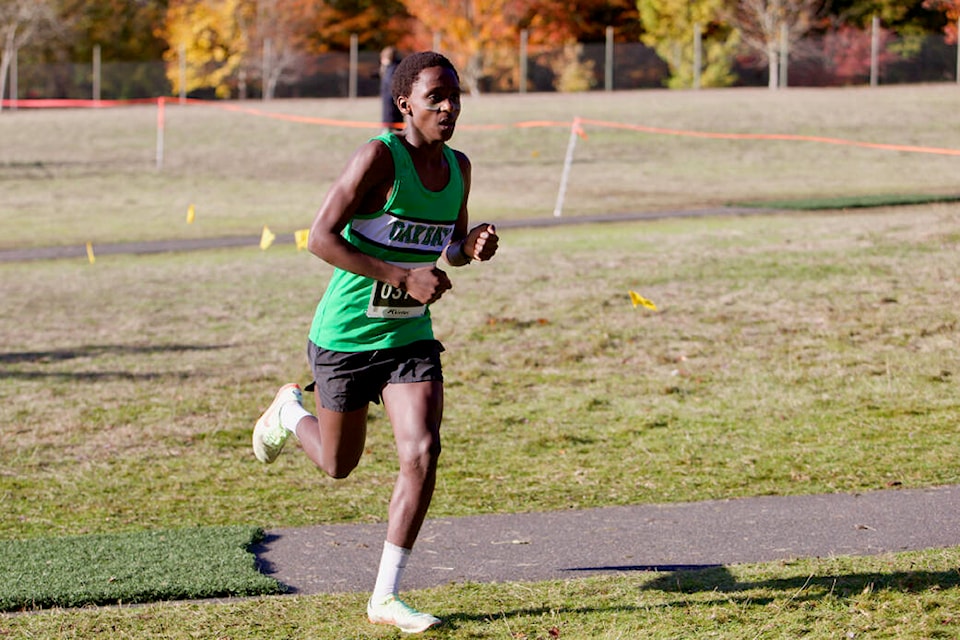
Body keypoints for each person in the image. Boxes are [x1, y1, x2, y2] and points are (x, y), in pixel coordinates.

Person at [252, 51, 498, 634]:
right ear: (404, 103)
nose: (448, 106)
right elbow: (319, 238)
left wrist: (473, 246)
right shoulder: (377, 158)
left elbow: (449, 243)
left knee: (421, 451)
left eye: (455, 95)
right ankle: (290, 411)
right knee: (339, 465)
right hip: (344, 335)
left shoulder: (459, 166)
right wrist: (399, 276)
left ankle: (385, 597)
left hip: (409, 334)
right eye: (435, 96)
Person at [379, 46, 404, 133]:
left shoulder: (392, 70)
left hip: (391, 110)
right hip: (393, 109)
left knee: (388, 134)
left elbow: (391, 89)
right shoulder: (393, 68)